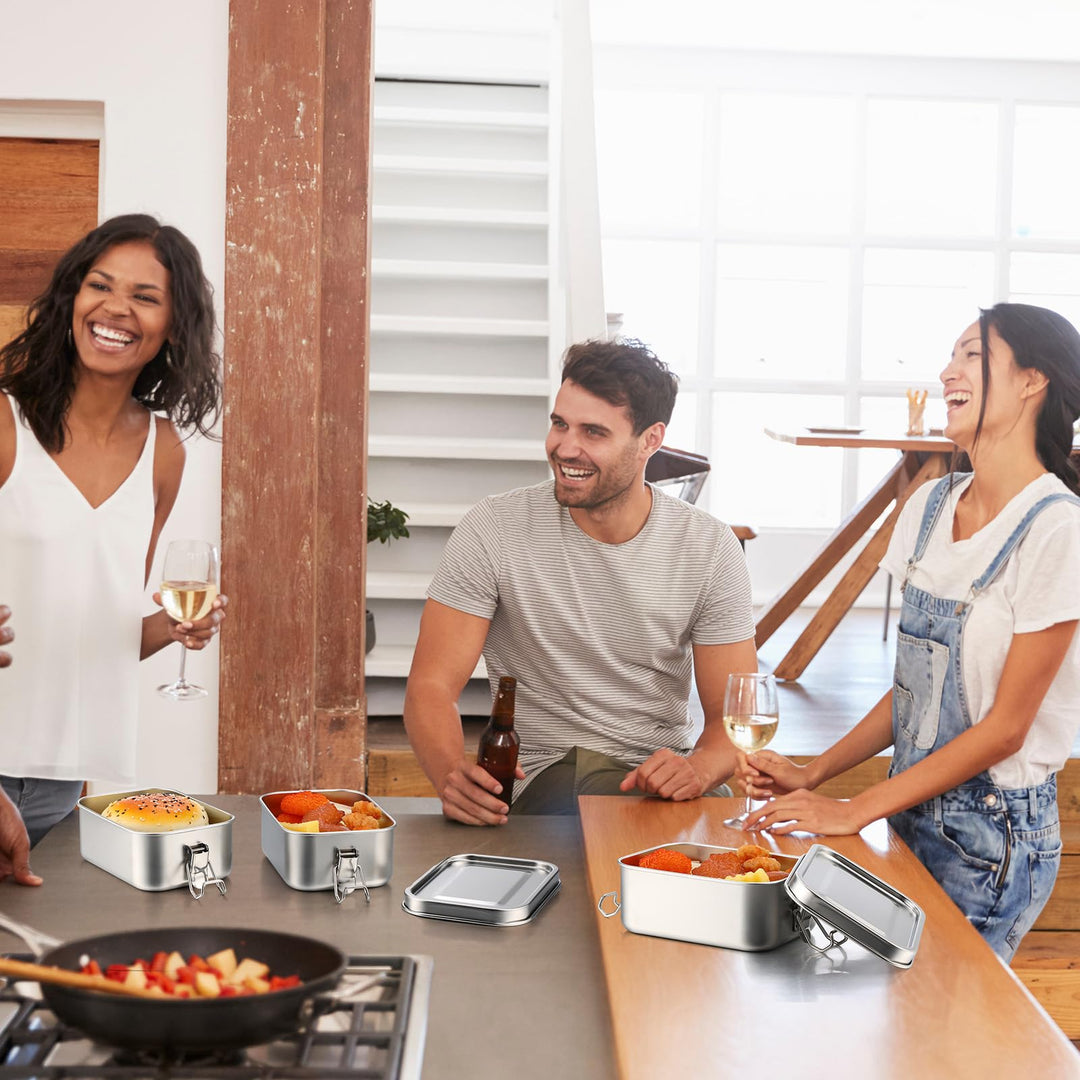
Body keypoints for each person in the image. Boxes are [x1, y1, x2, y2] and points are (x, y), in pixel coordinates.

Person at [740, 303, 1080, 962]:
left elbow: (1005, 729)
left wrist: (853, 808)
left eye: (972, 355)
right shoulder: (929, 507)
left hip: (993, 836)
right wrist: (818, 773)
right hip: (911, 811)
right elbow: (914, 695)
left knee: (946, 1043)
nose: (948, 371)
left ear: (1032, 380)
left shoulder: (1057, 530)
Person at [404, 338, 757, 825]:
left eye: (593, 432)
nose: (565, 448)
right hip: (551, 776)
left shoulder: (710, 547)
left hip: (661, 782)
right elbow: (430, 685)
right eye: (559, 424)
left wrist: (697, 770)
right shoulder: (494, 528)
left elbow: (731, 722)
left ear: (650, 440)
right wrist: (450, 775)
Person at [0, 213, 228, 854]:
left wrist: (177, 627)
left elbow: (113, 626)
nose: (116, 308)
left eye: (146, 297)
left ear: (173, 329)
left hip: (62, 781)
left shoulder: (162, 449)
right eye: (100, 285)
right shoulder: (5, 422)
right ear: (72, 298)